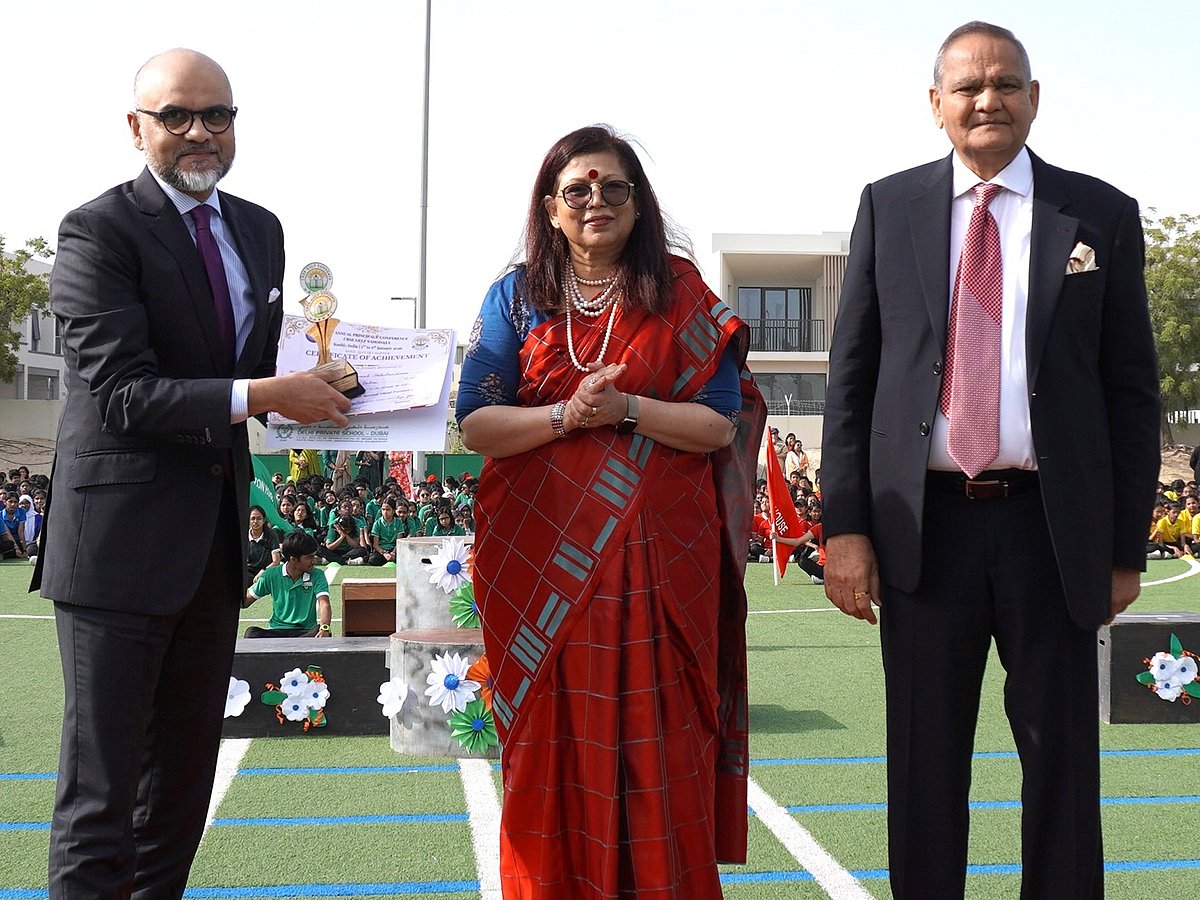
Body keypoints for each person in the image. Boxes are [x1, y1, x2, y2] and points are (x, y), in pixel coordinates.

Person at [819, 22, 1160, 900]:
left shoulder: (1100, 215)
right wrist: (846, 529)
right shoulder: (885, 208)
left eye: (1007, 84)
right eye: (967, 87)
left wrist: (1126, 548)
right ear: (935, 105)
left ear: (1035, 100)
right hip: (924, 532)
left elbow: (1131, 393)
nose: (988, 100)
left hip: (1052, 529)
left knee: (1060, 758)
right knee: (925, 759)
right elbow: (851, 383)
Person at [32, 48, 351, 899]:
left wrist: (330, 388)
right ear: (136, 127)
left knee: (178, 795)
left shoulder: (261, 229)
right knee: (101, 794)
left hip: (212, 551)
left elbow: (246, 375)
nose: (199, 132)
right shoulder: (96, 230)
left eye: (218, 115)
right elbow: (124, 392)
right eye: (176, 116)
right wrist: (267, 391)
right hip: (117, 552)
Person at [457, 124, 764, 898]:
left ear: (638, 203)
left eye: (614, 188)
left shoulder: (681, 292)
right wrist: (567, 417)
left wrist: (624, 407)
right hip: (540, 577)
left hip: (661, 573)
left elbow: (717, 424)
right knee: (548, 760)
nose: (597, 201)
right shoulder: (516, 296)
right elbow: (477, 423)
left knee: (661, 756)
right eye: (578, 190)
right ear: (551, 208)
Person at [243, 530, 332, 638]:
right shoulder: (271, 575)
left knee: (321, 631)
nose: (314, 561)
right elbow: (245, 602)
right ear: (293, 559)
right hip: (277, 632)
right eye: (309, 557)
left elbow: (324, 603)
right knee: (251, 633)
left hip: (305, 632)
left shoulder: (317, 575)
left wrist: (325, 627)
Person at [246, 504, 281, 583]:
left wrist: (263, 572)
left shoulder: (271, 535)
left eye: (259, 518)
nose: (255, 521)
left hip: (266, 571)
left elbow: (276, 561)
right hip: (248, 572)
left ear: (264, 520)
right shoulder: (244, 535)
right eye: (253, 519)